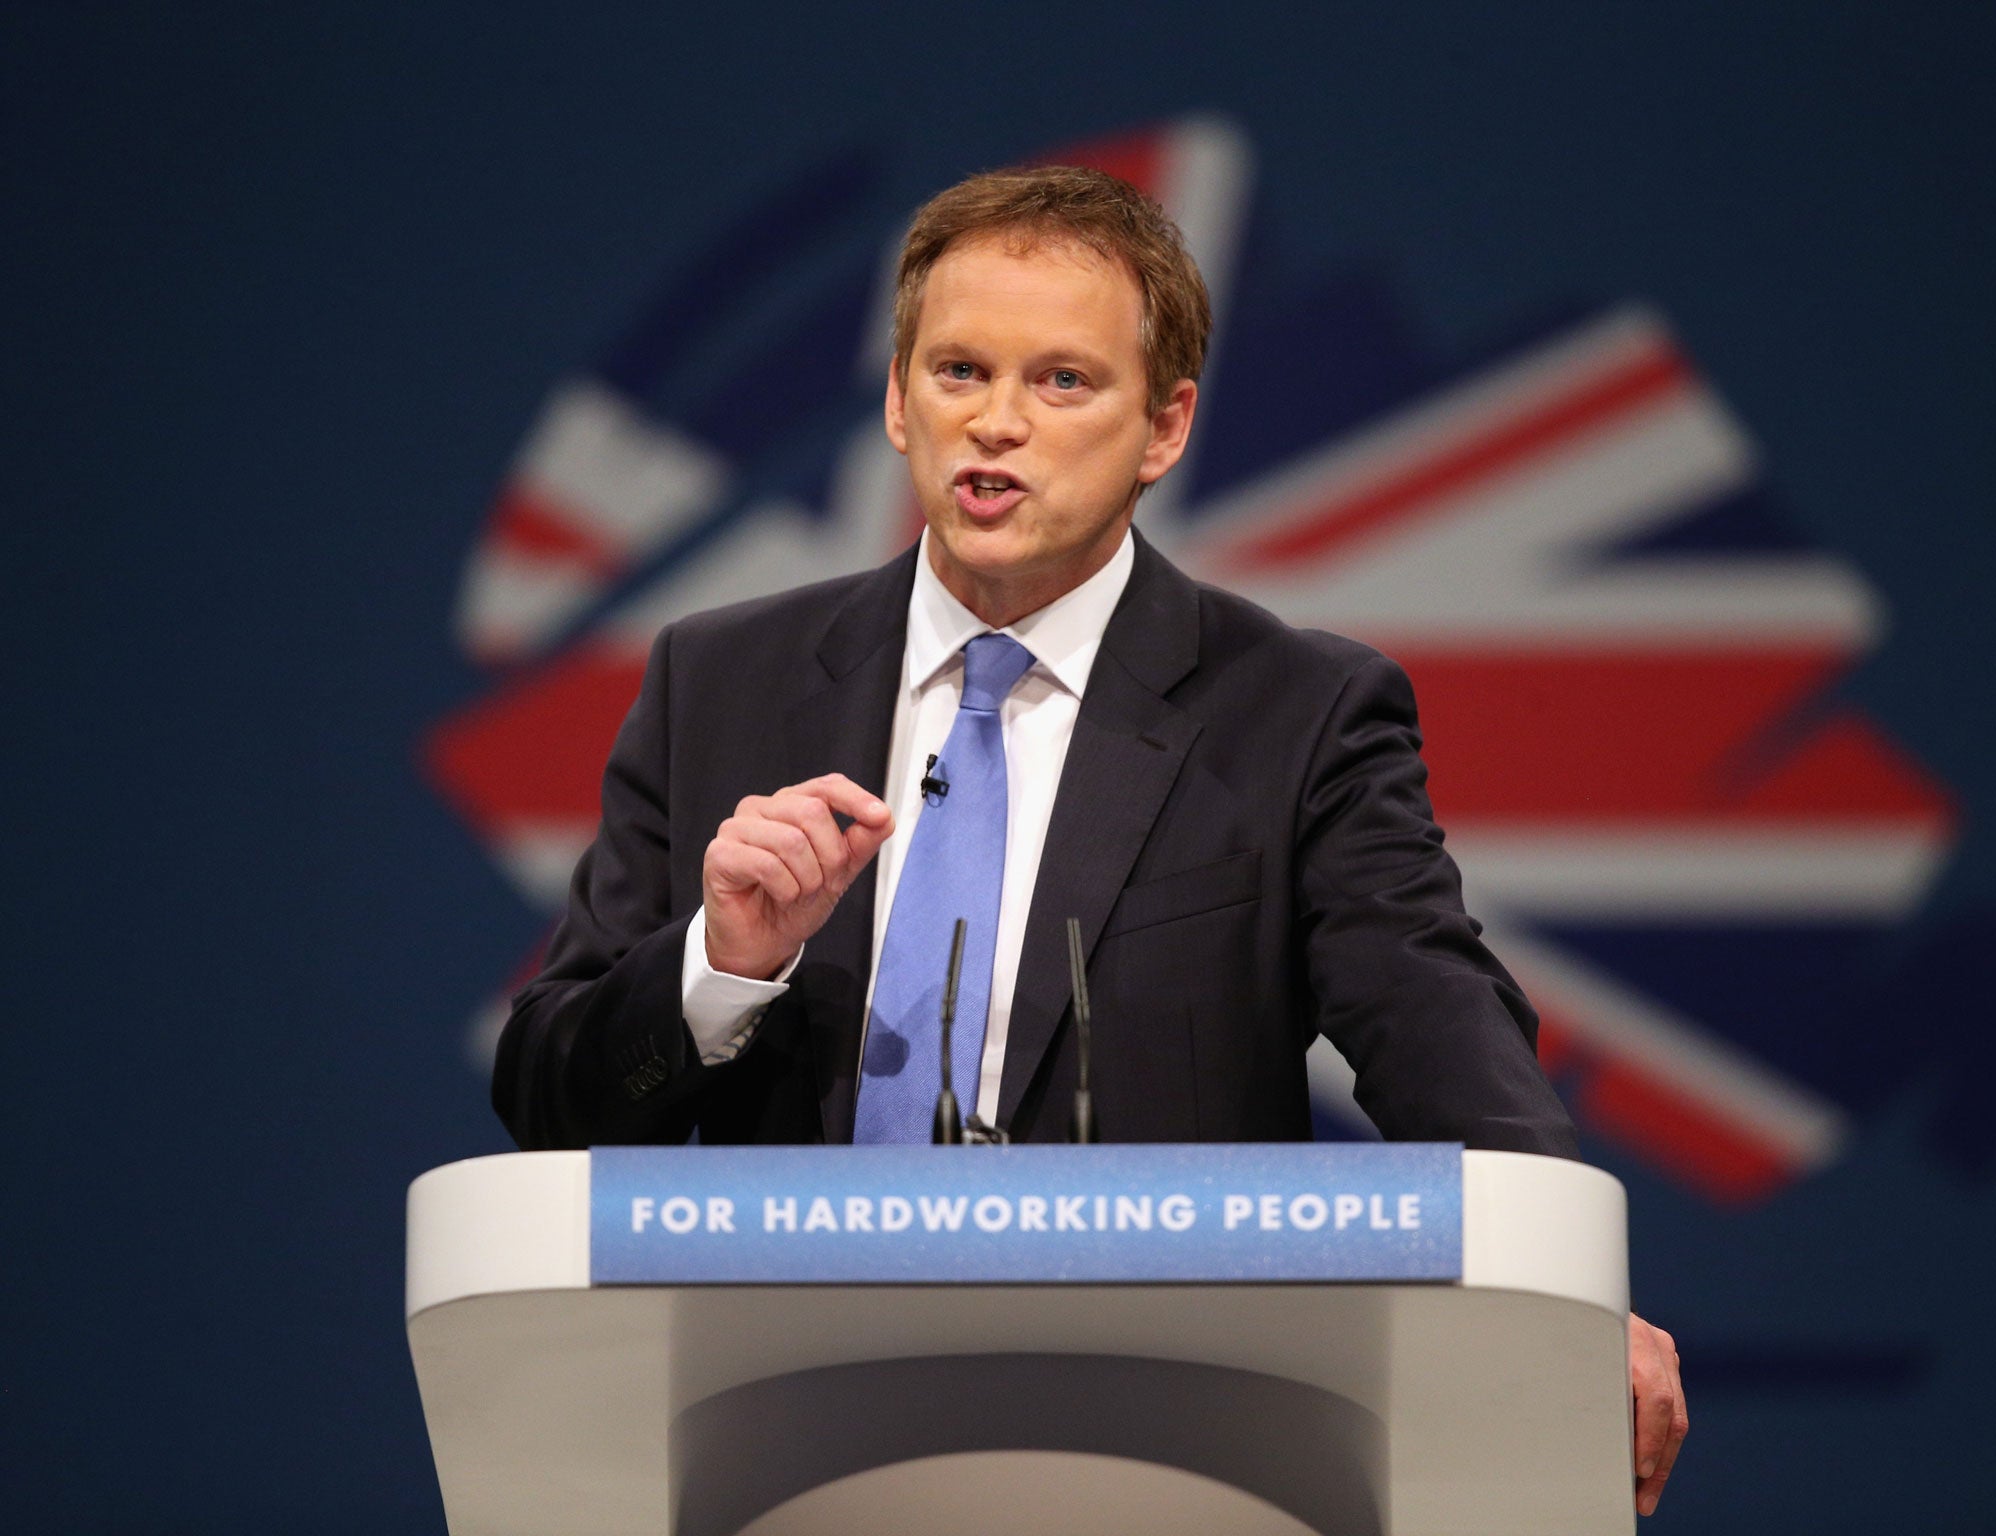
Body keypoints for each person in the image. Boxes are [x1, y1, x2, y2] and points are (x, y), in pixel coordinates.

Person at [492, 163, 1686, 1515]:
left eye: (1062, 382)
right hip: (797, 1448)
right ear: (895, 399)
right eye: (956, 371)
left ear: (1165, 425)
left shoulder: (1294, 714)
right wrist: (725, 960)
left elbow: (1432, 1016)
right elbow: (553, 1093)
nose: (995, 423)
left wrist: (1565, 1287)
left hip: (1172, 1450)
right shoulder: (724, 682)